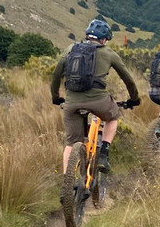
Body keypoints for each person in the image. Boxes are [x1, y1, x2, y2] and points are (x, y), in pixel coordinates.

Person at [50, 19, 140, 177]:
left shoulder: (71, 49)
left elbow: (56, 75)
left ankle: (67, 182)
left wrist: (56, 97)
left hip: (71, 103)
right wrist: (134, 99)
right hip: (99, 101)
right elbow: (128, 79)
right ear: (103, 39)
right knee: (112, 117)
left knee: (71, 143)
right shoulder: (108, 53)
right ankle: (104, 153)